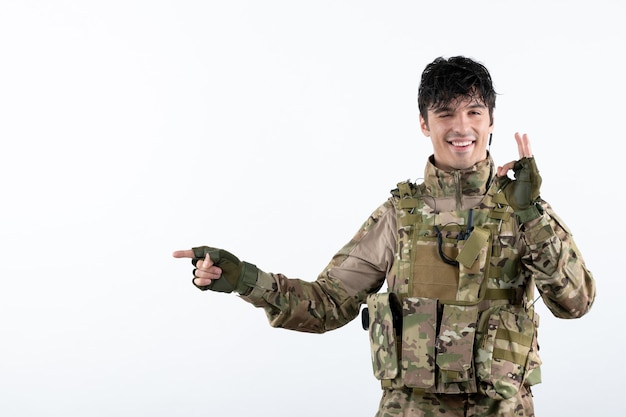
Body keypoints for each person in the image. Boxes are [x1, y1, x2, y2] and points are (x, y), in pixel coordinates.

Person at [173, 56, 596, 416]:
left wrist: (529, 213)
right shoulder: (398, 216)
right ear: (423, 123)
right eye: (445, 113)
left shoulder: (524, 208)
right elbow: (327, 304)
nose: (461, 127)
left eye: (473, 112)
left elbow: (575, 303)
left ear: (490, 121)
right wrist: (246, 280)